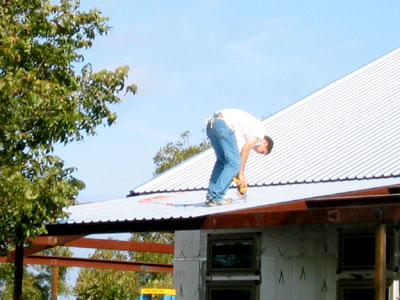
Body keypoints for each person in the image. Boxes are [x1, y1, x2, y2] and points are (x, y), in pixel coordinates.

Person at [206, 108, 273, 206]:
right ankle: (216, 197)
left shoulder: (244, 134)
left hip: (212, 125)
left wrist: (239, 179)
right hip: (223, 124)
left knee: (223, 161)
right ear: (265, 142)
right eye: (262, 151)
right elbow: (245, 151)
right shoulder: (260, 132)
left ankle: (211, 196)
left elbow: (232, 162)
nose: (258, 153)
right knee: (234, 163)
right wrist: (241, 174)